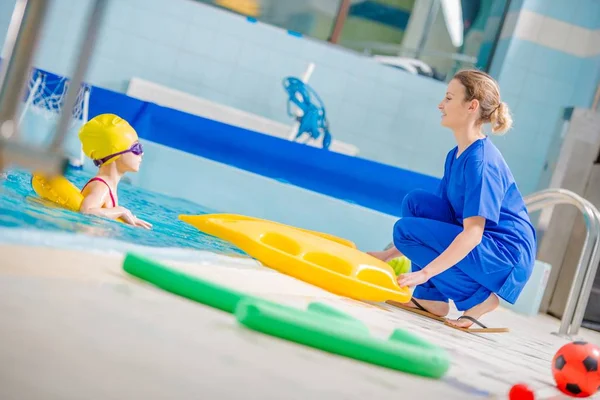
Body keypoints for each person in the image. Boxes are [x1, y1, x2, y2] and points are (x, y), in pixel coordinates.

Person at [369, 69, 536, 332]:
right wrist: (389, 255)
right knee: (416, 204)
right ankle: (429, 298)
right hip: (485, 244)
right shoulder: (457, 155)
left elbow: (473, 234)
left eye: (448, 98)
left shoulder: (481, 163)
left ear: (472, 106)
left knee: (405, 231)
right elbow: (430, 223)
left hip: (503, 254)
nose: (440, 105)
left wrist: (425, 272)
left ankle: (480, 300)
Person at [78, 113, 152, 229]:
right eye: (136, 148)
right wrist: (121, 211)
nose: (141, 153)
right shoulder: (101, 187)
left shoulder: (109, 186)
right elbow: (86, 211)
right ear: (115, 154)